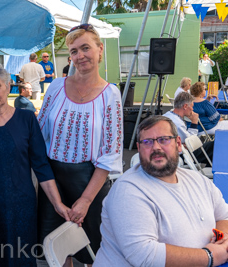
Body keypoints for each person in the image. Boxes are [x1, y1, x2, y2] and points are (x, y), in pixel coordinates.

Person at [38, 23, 123, 266]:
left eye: (85, 48)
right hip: (53, 180)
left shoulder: (110, 94)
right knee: (58, 248)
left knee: (91, 248)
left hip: (89, 182)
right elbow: (40, 134)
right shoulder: (55, 86)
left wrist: (85, 200)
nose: (79, 56)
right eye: (74, 51)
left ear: (100, 50)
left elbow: (110, 152)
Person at [0, 62, 70, 266]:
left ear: (8, 86)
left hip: (21, 206)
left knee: (21, 258)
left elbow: (41, 165)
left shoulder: (26, 119)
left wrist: (58, 203)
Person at [94, 116, 228, 267]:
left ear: (178, 144)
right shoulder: (128, 191)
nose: (156, 147)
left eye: (164, 139)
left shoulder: (196, 179)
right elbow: (145, 256)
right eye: (147, 142)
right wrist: (209, 256)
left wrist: (224, 240)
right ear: (139, 149)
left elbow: (223, 215)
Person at [163, 92, 214, 166]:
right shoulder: (177, 123)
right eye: (192, 106)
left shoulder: (169, 114)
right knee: (213, 146)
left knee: (210, 147)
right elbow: (191, 141)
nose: (192, 109)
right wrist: (194, 122)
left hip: (180, 151)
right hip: (183, 155)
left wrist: (184, 143)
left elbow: (187, 141)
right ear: (185, 106)